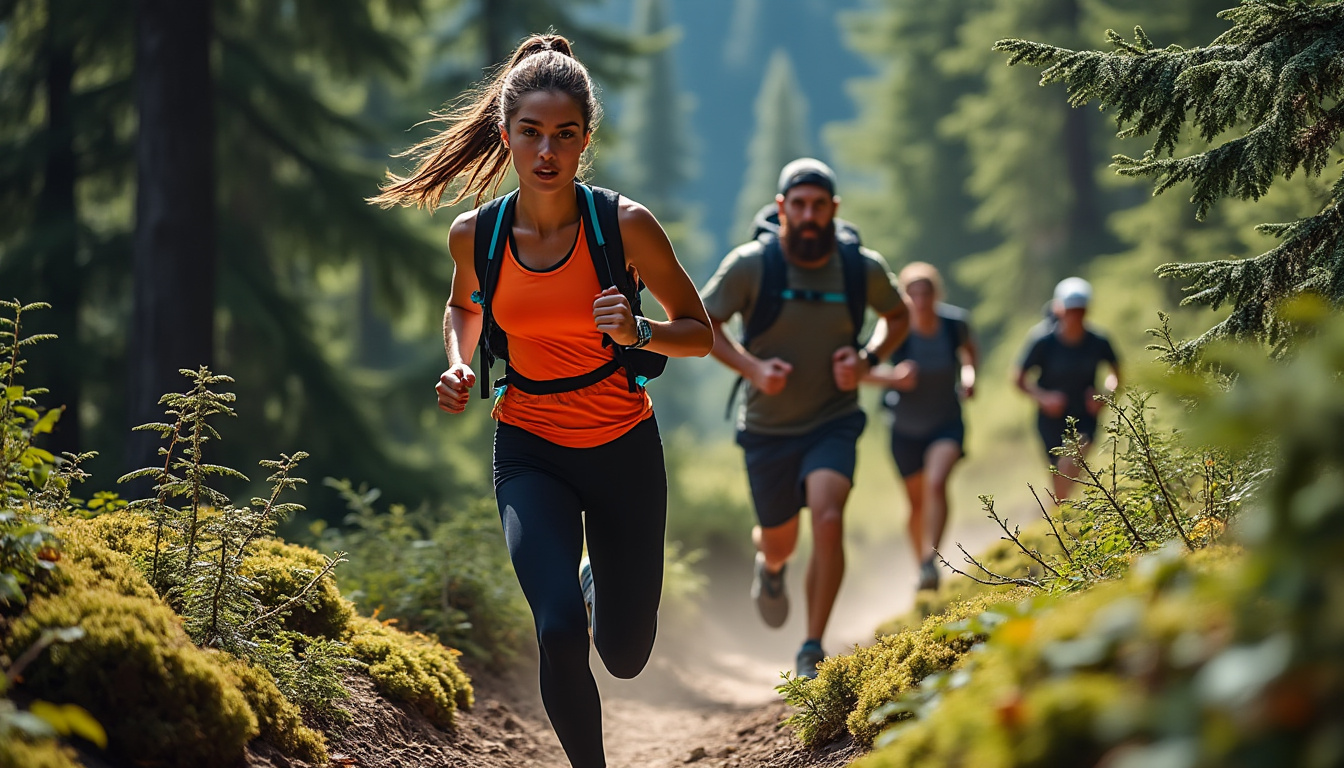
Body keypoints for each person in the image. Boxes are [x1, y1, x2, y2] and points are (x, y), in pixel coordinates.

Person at [370, 34, 713, 768]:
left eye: (564, 135)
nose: (546, 150)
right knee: (557, 629)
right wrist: (460, 363)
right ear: (507, 136)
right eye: (530, 133)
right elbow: (463, 307)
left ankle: (596, 586)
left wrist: (641, 326)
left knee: (623, 655)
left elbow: (700, 334)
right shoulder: (478, 235)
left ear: (585, 139)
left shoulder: (623, 226)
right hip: (529, 447)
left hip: (622, 445)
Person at [700, 158, 909, 679]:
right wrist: (751, 367)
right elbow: (702, 323)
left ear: (835, 210)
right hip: (767, 428)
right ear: (781, 209)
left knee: (829, 514)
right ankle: (771, 569)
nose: (810, 215)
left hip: (831, 420)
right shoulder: (752, 265)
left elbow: (898, 315)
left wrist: (867, 360)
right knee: (781, 542)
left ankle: (812, 645)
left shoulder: (860, 267)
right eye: (799, 205)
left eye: (820, 206)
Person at [862, 262, 976, 594]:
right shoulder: (893, 329)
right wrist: (893, 378)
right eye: (913, 293)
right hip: (905, 429)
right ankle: (922, 567)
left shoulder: (955, 324)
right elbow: (863, 369)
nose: (920, 299)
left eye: (926, 292)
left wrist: (970, 380)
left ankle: (932, 559)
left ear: (935, 293)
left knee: (937, 484)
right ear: (905, 296)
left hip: (946, 422)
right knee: (915, 505)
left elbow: (970, 355)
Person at [1013, 277, 1121, 500]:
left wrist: (1105, 396)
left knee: (1071, 459)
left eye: (1080, 310)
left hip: (1084, 416)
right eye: (1071, 310)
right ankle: (1061, 514)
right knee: (1058, 470)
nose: (1075, 316)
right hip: (1050, 419)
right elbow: (1019, 378)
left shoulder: (1098, 341)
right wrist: (1044, 398)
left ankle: (1062, 513)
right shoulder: (1043, 341)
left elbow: (1116, 373)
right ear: (1059, 309)